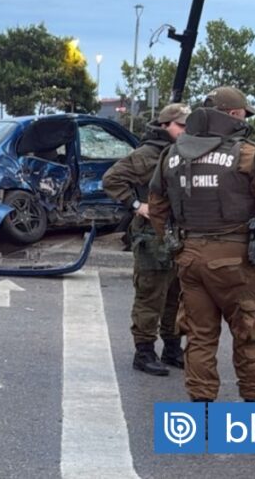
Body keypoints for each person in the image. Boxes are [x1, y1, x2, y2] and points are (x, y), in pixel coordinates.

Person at [148, 86, 255, 403]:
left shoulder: (171, 155)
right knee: (249, 335)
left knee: (199, 337)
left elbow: (157, 206)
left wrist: (175, 245)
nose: (247, 117)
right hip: (235, 260)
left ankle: (201, 410)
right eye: (244, 112)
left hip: (189, 258)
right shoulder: (248, 154)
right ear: (233, 115)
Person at [104, 104, 189, 376]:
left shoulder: (183, 151)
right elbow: (112, 179)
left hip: (178, 233)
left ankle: (172, 348)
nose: (186, 131)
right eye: (181, 126)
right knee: (151, 295)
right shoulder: (147, 154)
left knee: (177, 295)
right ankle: (144, 351)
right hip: (151, 236)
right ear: (165, 126)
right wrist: (136, 205)